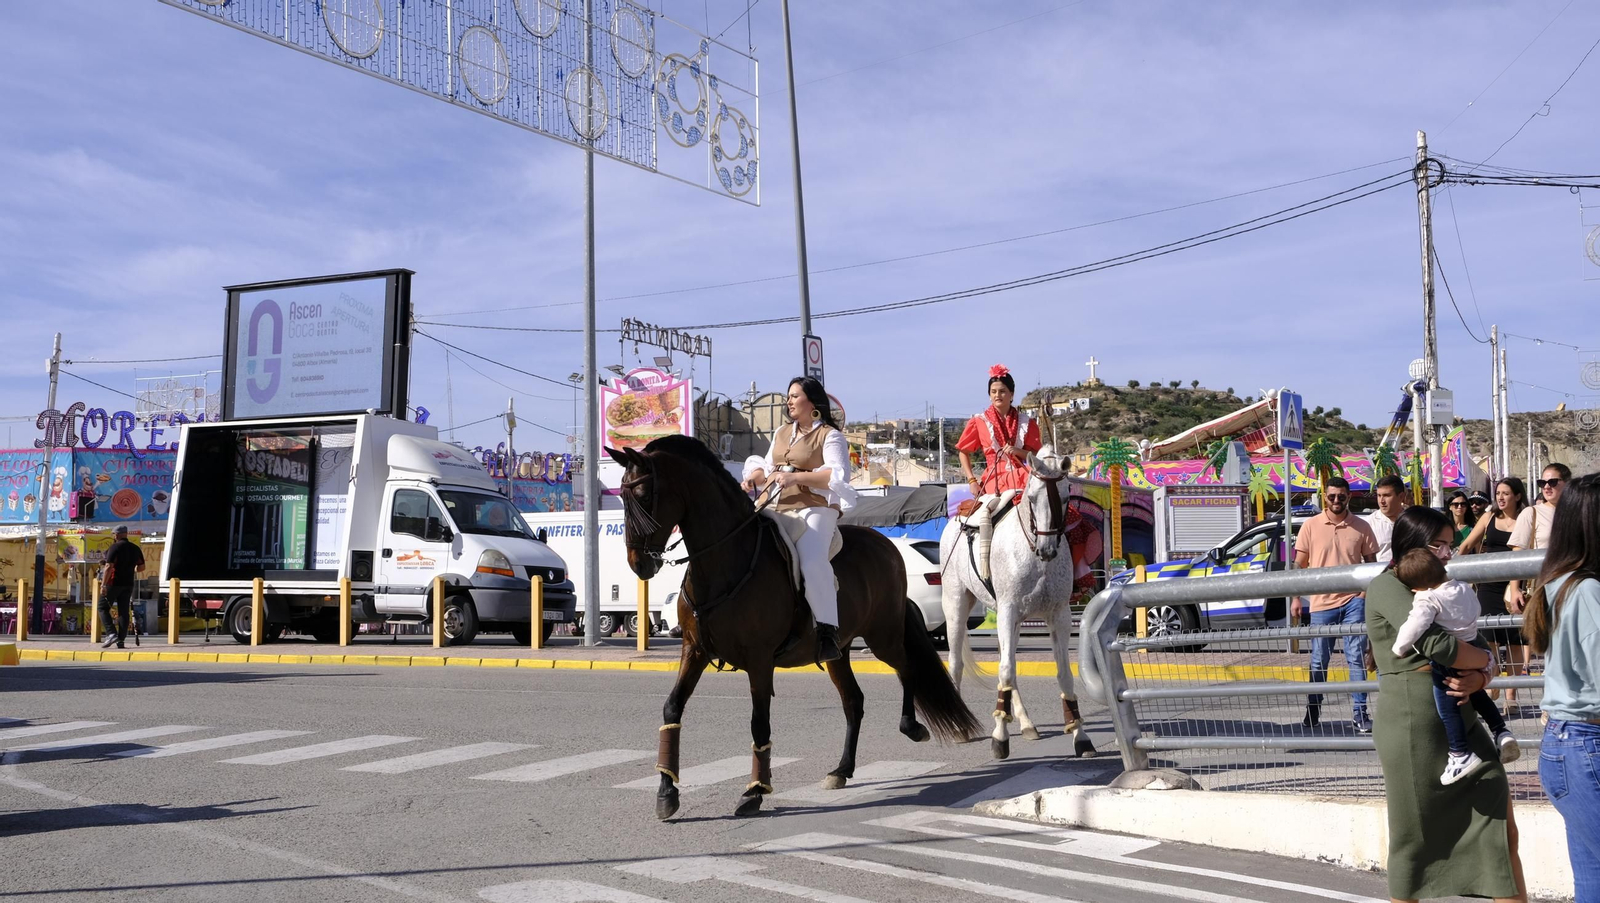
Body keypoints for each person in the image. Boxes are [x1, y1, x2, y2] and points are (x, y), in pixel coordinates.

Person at [1522, 472, 1600, 898]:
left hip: (1569, 745)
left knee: (1591, 880)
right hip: (1586, 745)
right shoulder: (1587, 591)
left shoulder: (1559, 582)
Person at [741, 376, 857, 663]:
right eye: (788, 396)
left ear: (812, 402)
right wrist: (753, 478)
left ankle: (828, 631)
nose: (789, 401)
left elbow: (835, 475)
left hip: (815, 506)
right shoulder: (782, 432)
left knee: (811, 560)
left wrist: (794, 476)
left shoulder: (830, 436)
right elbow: (768, 468)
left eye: (795, 396)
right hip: (775, 503)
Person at [1390, 547, 1518, 784]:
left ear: (1418, 586)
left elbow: (1414, 626)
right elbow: (1476, 610)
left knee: (1448, 709)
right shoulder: (1463, 587)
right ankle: (1501, 730)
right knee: (1479, 696)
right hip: (1472, 644)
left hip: (1447, 662)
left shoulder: (1428, 598)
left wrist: (1399, 648)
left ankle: (1460, 753)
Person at [1294, 476, 1379, 732]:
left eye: (1341, 496)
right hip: (1321, 604)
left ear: (1349, 497)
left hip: (1354, 601)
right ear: (1325, 497)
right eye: (1332, 496)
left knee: (1356, 658)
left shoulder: (1362, 527)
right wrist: (1295, 597)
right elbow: (1299, 564)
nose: (1336, 501)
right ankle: (1313, 708)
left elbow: (1372, 565)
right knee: (1320, 660)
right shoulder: (1310, 526)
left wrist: (1364, 596)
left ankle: (1359, 713)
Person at [955, 364, 1042, 579]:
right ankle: (983, 566)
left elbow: (1037, 458)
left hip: (1023, 475)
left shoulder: (1027, 423)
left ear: (1012, 394)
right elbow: (963, 452)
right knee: (985, 517)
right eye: (993, 392)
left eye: (1002, 391)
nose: (998, 395)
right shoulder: (979, 422)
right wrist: (972, 479)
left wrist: (1019, 451)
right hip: (994, 480)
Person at [1459, 478, 1531, 702]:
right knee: (1488, 638)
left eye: (1506, 493)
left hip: (1517, 585)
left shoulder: (1526, 518)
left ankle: (1511, 695)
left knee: (1516, 641)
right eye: (1498, 493)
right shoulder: (1488, 517)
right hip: (1488, 586)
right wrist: (1454, 569)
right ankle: (1494, 683)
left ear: (1517, 496)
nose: (1500, 497)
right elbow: (1466, 545)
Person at [1506, 463, 1570, 612]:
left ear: (1567, 484)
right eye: (1542, 483)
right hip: (1543, 588)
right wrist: (1515, 589)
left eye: (1552, 482)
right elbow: (1517, 552)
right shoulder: (1531, 513)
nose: (1546, 487)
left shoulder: (1577, 512)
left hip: (1572, 585)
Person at [99, 525, 145, 649]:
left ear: (117, 535)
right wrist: (131, 569)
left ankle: (111, 633)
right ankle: (121, 640)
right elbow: (141, 567)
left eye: (114, 534)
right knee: (123, 612)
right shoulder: (135, 548)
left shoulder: (115, 547)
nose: (114, 536)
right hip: (128, 583)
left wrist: (103, 584)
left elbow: (108, 567)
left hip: (114, 583)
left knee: (102, 607)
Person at [1366, 474, 1409, 563]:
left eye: (1386, 495)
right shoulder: (1367, 524)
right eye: (1378, 495)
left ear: (1401, 496)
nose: (1381, 501)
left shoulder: (1415, 521)